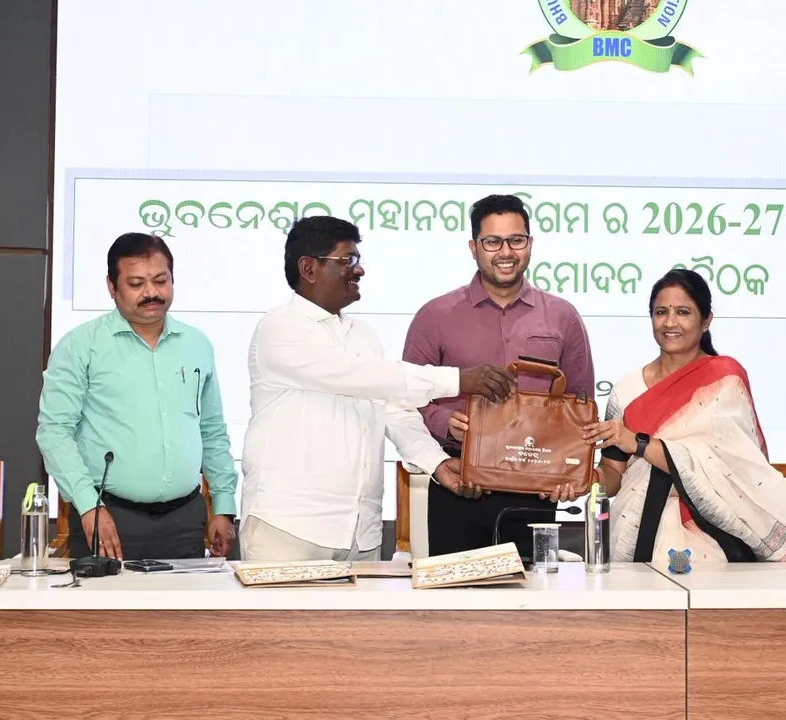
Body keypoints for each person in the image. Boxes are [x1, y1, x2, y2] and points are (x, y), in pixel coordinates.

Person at [239, 215, 514, 562]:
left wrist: (438, 463)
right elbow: (361, 376)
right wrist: (458, 380)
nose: (359, 270)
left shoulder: (362, 334)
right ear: (309, 268)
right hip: (289, 529)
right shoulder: (279, 328)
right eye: (348, 260)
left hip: (360, 533)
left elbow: (392, 408)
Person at [582, 268, 786, 564]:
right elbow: (613, 476)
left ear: (706, 320)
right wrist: (585, 480)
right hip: (636, 537)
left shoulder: (725, 381)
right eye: (661, 312)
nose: (670, 322)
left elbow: (735, 469)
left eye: (683, 312)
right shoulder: (627, 389)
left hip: (713, 540)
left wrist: (639, 443)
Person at [402, 193, 595, 559]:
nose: (505, 252)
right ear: (474, 247)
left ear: (530, 244)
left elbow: (579, 403)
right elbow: (407, 398)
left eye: (516, 240)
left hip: (535, 489)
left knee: (533, 607)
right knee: (458, 607)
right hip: (460, 483)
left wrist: (568, 471)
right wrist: (447, 421)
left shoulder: (563, 316)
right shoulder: (435, 315)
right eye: (493, 242)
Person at [36, 233, 238, 561]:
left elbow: (211, 430)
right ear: (111, 287)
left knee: (186, 614)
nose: (151, 292)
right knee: (101, 614)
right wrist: (89, 507)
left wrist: (225, 506)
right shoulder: (80, 346)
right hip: (110, 518)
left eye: (161, 280)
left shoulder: (197, 344)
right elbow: (55, 432)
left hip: (185, 520)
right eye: (136, 283)